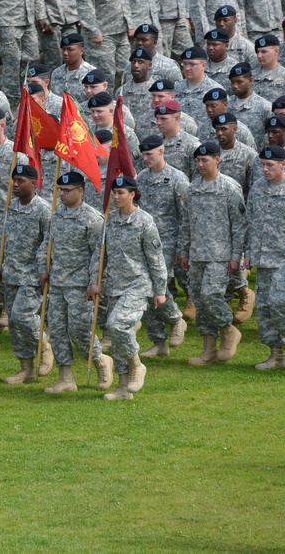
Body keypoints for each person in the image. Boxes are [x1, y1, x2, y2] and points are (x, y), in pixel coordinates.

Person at [94, 175, 166, 400]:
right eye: (114, 193)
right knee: (116, 340)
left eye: (121, 193)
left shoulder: (144, 221)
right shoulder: (110, 222)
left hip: (137, 285)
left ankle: (137, 365)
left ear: (132, 194)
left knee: (118, 325)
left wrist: (160, 290)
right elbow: (100, 256)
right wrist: (94, 283)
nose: (115, 197)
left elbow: (156, 258)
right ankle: (123, 388)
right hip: (114, 286)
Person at [41, 171, 113, 394]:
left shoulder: (92, 219)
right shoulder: (57, 215)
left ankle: (101, 360)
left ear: (80, 191)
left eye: (67, 190)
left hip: (80, 285)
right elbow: (47, 244)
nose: (62, 194)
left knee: (80, 330)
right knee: (58, 330)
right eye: (60, 190)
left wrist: (94, 282)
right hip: (58, 282)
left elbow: (98, 256)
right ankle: (66, 378)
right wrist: (43, 269)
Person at [178, 142, 248, 366]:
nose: (200, 164)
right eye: (197, 161)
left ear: (217, 160)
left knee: (211, 295)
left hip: (221, 254)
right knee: (199, 299)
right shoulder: (193, 189)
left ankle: (228, 330)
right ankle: (208, 349)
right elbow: (186, 223)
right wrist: (183, 251)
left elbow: (239, 225)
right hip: (197, 254)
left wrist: (236, 256)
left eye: (204, 160)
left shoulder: (229, 187)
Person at [244, 145, 285, 371]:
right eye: (262, 165)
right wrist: (249, 253)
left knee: (279, 304)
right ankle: (275, 353)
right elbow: (250, 223)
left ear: (284, 164)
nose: (265, 169)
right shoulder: (258, 188)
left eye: (269, 165)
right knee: (263, 309)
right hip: (263, 259)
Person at [0, 164, 52, 384]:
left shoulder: (43, 210)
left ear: (34, 183)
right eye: (14, 180)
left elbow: (48, 242)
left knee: (22, 317)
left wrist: (44, 270)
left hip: (32, 275)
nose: (15, 185)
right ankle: (26, 367)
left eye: (21, 181)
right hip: (11, 274)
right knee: (15, 325)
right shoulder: (10, 208)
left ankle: (44, 346)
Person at [136, 134, 189, 356]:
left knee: (157, 286)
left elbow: (186, 217)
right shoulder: (140, 179)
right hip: (144, 242)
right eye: (144, 154)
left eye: (150, 154)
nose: (146, 158)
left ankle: (177, 319)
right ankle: (158, 341)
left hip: (168, 241)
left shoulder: (178, 180)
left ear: (161, 151)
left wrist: (182, 248)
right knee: (144, 288)